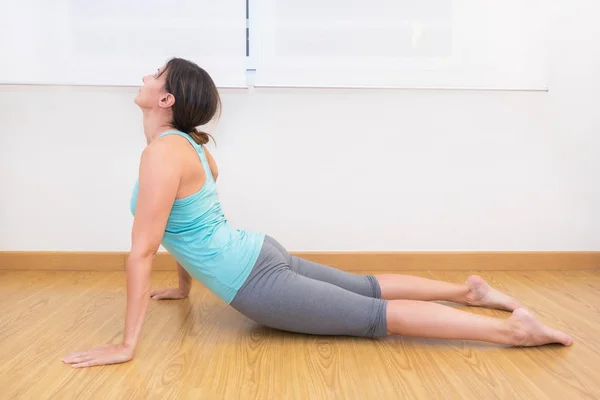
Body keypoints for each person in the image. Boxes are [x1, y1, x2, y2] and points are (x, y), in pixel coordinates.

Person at [62, 58, 573, 369]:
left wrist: (127, 343)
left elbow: (144, 248)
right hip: (260, 253)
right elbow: (189, 225)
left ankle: (513, 331)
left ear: (166, 97)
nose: (145, 76)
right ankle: (469, 292)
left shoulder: (160, 154)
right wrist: (184, 286)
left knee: (375, 316)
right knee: (366, 285)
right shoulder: (190, 148)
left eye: (154, 73)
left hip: (258, 283)